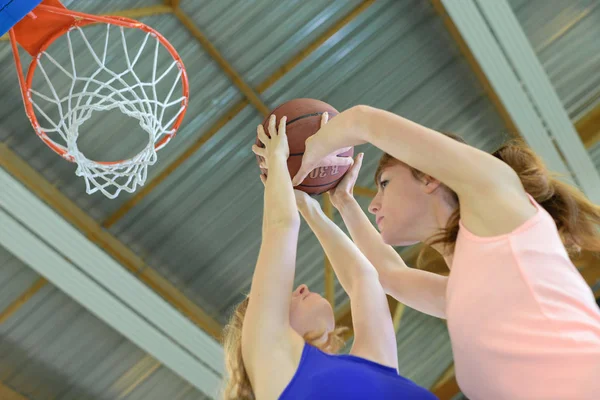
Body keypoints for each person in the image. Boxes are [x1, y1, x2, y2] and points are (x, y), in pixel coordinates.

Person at [292, 105, 600, 400]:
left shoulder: (499, 202)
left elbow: (363, 119)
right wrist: (342, 201)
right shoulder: (463, 292)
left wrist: (309, 150)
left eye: (384, 183)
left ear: (429, 177)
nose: (374, 204)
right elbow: (388, 275)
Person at [221, 114, 438, 400]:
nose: (300, 288)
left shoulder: (371, 365)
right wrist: (277, 161)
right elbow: (281, 227)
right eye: (284, 296)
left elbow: (365, 280)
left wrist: (315, 206)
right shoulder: (268, 360)